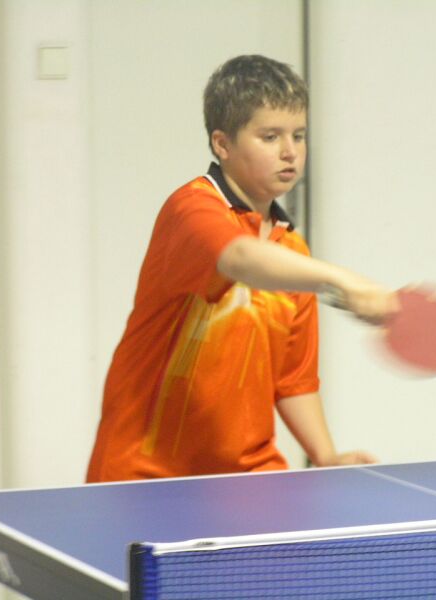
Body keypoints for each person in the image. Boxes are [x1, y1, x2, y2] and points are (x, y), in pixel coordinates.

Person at [86, 55, 397, 482]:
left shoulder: (292, 251)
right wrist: (343, 279)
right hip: (145, 477)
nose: (290, 152)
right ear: (222, 144)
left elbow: (293, 379)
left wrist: (326, 456)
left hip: (248, 478)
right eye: (270, 136)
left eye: (299, 135)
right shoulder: (191, 210)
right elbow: (240, 258)